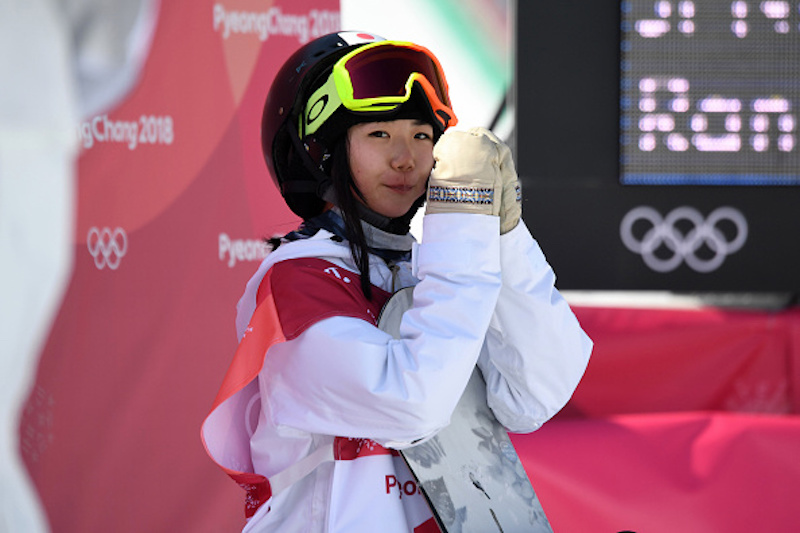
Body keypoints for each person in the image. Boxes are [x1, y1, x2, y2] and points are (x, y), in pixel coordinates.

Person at [202, 30, 592, 532]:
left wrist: (503, 236)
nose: (406, 158)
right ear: (324, 152)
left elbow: (535, 395)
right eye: (379, 134)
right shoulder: (295, 281)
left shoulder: (432, 269)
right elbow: (412, 404)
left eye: (422, 135)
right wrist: (459, 228)